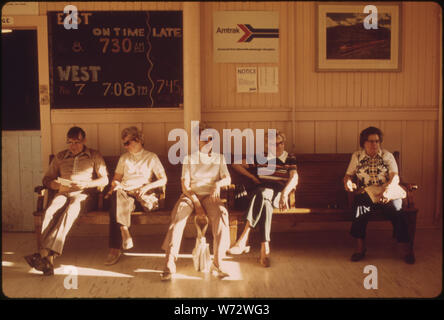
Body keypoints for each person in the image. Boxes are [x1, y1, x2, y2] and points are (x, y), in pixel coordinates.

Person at [24, 126, 109, 275]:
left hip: (83, 194)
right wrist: (55, 185)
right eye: (70, 142)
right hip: (63, 192)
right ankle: (47, 260)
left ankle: (45, 255)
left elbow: (105, 179)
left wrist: (86, 184)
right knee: (50, 211)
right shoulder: (61, 156)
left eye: (76, 142)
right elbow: (46, 179)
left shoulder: (94, 155)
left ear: (84, 141)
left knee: (71, 210)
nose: (73, 146)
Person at [160, 125, 231, 280]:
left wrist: (217, 184)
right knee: (178, 217)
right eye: (203, 138)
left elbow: (227, 178)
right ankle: (169, 263)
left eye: (210, 138)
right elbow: (185, 186)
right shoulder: (189, 158)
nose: (207, 142)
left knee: (222, 214)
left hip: (209, 196)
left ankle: (218, 263)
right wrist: (196, 204)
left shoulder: (219, 158)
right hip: (190, 196)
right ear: (198, 140)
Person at [343, 126, 415, 264]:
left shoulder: (387, 156)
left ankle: (407, 249)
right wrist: (348, 183)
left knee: (397, 210)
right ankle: (360, 248)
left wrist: (388, 191)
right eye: (370, 141)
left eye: (376, 141)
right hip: (367, 190)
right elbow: (348, 176)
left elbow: (394, 177)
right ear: (363, 143)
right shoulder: (357, 156)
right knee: (360, 210)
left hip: (387, 188)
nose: (374, 144)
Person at [227, 130, 298, 267]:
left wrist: (284, 193)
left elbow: (294, 177)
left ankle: (244, 237)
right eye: (274, 144)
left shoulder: (289, 158)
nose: (278, 146)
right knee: (264, 201)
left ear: (284, 143)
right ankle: (264, 249)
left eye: (280, 143)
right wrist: (252, 177)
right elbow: (236, 164)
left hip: (278, 194)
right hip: (261, 193)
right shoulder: (261, 157)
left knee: (263, 193)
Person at [105, 126, 167, 265]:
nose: (125, 147)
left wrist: (147, 187)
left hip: (142, 194)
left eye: (127, 143)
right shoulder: (124, 158)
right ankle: (124, 230)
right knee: (117, 196)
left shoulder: (151, 157)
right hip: (125, 194)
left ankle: (114, 249)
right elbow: (116, 179)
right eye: (124, 144)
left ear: (138, 140)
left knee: (114, 208)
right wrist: (116, 184)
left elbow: (163, 179)